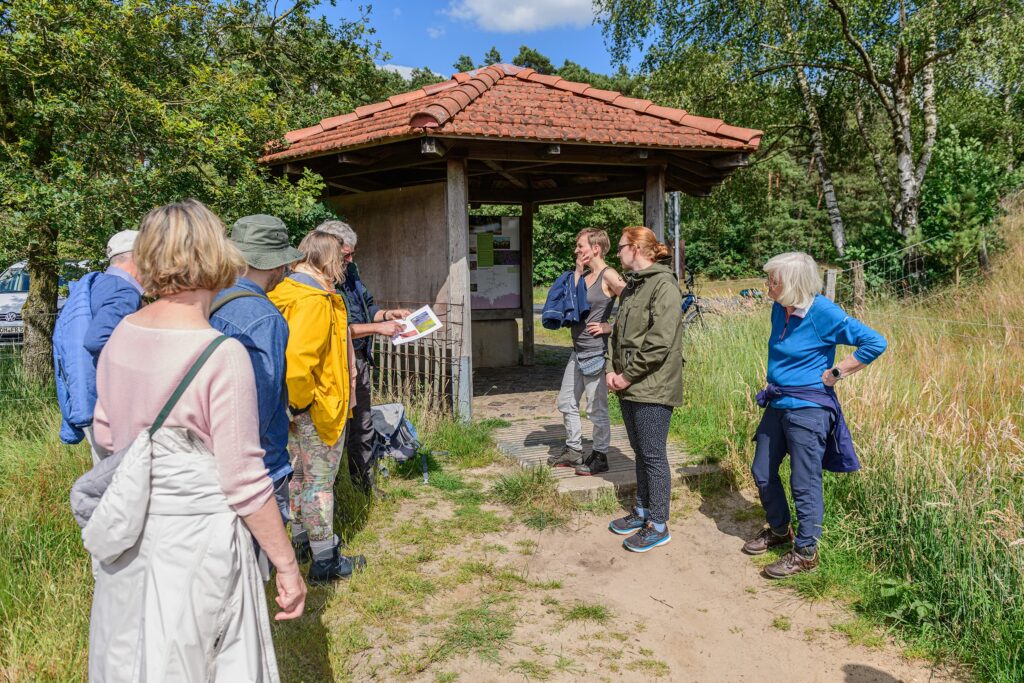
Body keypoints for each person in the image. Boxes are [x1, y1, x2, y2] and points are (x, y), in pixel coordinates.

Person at [88, 199, 305, 681]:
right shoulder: (221, 354)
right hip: (195, 547)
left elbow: (105, 436)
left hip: (128, 540)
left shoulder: (119, 334)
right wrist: (286, 563)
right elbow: (244, 480)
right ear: (217, 254)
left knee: (134, 659)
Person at [744, 252, 887, 578]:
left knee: (803, 481)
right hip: (778, 403)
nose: (768, 285)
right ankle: (780, 531)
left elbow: (875, 342)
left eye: (773, 280)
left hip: (809, 409)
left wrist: (838, 371)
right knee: (762, 470)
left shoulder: (822, 312)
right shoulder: (779, 308)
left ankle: (806, 552)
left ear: (792, 283)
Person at [269, 230, 365, 583]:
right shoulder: (313, 299)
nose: (347, 265)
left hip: (289, 406)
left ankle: (300, 541)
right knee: (319, 483)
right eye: (344, 258)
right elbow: (299, 359)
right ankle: (325, 558)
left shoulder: (284, 292)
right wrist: (301, 403)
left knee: (297, 476)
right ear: (329, 258)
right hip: (315, 406)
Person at [209, 214, 303, 560]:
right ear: (275, 264)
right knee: (250, 570)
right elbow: (259, 403)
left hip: (206, 457)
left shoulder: (207, 300)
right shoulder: (264, 317)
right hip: (257, 465)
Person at [313, 220, 410, 491]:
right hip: (334, 362)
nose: (351, 259)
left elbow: (367, 307)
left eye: (352, 253)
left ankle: (362, 488)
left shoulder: (350, 270)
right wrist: (378, 328)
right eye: (345, 255)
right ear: (329, 248)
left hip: (359, 359)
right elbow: (336, 328)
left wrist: (388, 315)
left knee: (364, 425)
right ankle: (330, 495)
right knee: (332, 432)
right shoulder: (317, 279)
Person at [605, 226, 683, 553]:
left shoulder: (663, 286)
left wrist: (626, 376)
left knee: (653, 455)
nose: (617, 253)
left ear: (636, 248)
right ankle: (643, 511)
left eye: (621, 247)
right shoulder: (634, 288)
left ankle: (659, 524)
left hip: (652, 386)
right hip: (630, 385)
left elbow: (659, 342)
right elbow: (617, 333)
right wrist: (612, 369)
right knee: (640, 451)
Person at [547, 228, 625, 476]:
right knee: (565, 402)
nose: (577, 250)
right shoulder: (585, 275)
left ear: (596, 248)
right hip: (577, 350)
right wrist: (578, 272)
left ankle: (600, 455)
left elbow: (636, 302)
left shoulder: (608, 274)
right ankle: (573, 450)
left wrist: (610, 326)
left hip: (595, 353)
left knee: (596, 409)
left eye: (580, 246)